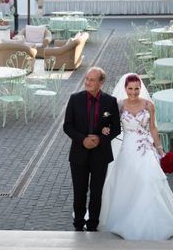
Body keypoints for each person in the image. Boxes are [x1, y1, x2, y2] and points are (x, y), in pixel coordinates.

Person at [98, 73, 173, 240]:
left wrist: (160, 150)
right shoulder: (118, 105)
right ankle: (127, 217)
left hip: (146, 148)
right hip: (127, 149)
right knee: (128, 183)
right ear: (125, 88)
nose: (133, 92)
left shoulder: (149, 105)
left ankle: (153, 219)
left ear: (141, 88)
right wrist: (105, 130)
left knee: (149, 180)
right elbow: (109, 125)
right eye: (130, 89)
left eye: (136, 89)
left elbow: (153, 129)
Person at [63, 67, 121, 232]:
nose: (87, 82)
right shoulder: (75, 99)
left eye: (92, 80)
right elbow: (67, 126)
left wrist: (100, 139)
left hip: (100, 155)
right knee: (79, 191)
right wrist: (83, 140)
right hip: (78, 154)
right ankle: (79, 223)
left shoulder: (110, 101)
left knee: (96, 192)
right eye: (87, 79)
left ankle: (93, 224)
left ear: (101, 82)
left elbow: (116, 128)